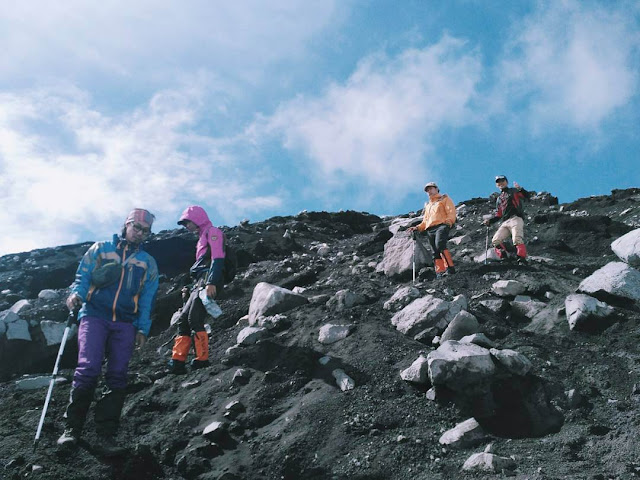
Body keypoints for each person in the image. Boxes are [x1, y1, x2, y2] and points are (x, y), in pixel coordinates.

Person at [57, 209, 159, 453]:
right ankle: (71, 430)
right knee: (88, 367)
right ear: (126, 224)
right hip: (94, 315)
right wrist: (75, 295)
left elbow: (147, 297)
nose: (140, 233)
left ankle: (106, 437)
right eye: (137, 227)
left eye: (146, 230)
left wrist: (143, 328)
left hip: (125, 323)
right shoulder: (100, 249)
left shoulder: (147, 262)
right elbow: (82, 276)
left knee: (117, 375)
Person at [168, 205, 225, 374]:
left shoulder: (213, 232)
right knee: (183, 318)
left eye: (187, 221)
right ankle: (177, 361)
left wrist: (212, 282)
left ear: (198, 218)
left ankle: (202, 359)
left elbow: (218, 258)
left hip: (208, 281)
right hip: (199, 283)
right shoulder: (201, 238)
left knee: (194, 318)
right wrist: (191, 287)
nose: (186, 226)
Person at [409, 181, 457, 277]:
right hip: (430, 229)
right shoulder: (428, 205)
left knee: (440, 245)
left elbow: (451, 211)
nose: (429, 191)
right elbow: (425, 220)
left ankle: (450, 268)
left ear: (436, 188)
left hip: (442, 225)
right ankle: (440, 271)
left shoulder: (444, 199)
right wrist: (418, 227)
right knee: (435, 251)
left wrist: (449, 222)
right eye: (427, 190)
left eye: (430, 189)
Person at [483, 175, 531, 264]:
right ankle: (504, 257)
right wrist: (490, 221)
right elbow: (499, 214)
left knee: (517, 239)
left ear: (507, 182)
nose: (501, 183)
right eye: (498, 182)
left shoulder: (514, 191)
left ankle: (521, 258)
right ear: (497, 185)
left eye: (502, 181)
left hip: (516, 218)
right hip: (505, 222)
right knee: (495, 240)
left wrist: (520, 189)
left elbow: (527, 196)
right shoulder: (499, 199)